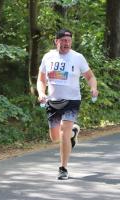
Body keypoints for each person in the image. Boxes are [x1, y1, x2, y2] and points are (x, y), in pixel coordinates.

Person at [37, 28, 98, 180]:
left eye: (69, 41)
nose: (66, 44)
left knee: (64, 131)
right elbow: (41, 79)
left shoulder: (78, 57)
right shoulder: (48, 57)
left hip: (72, 100)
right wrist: (41, 93)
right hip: (53, 101)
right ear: (56, 41)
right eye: (63, 41)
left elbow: (90, 77)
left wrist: (93, 88)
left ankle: (63, 168)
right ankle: (73, 134)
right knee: (55, 137)